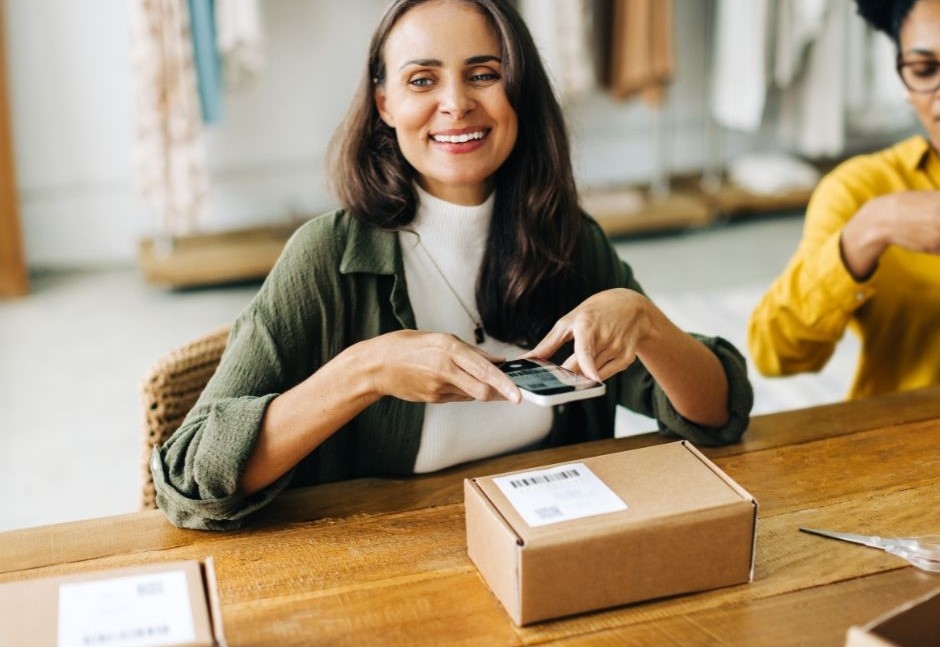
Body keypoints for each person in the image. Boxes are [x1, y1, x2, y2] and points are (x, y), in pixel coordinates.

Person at [152, 0, 753, 531]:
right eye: (422, 80)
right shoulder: (326, 257)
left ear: (519, 91)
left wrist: (645, 321)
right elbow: (186, 481)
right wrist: (366, 371)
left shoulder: (566, 239)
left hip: (550, 549)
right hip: (388, 569)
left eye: (484, 74)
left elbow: (720, 417)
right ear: (385, 103)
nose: (457, 104)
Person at [748, 0, 940, 400]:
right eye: (925, 71)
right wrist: (868, 230)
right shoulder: (863, 189)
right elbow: (776, 353)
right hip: (903, 432)